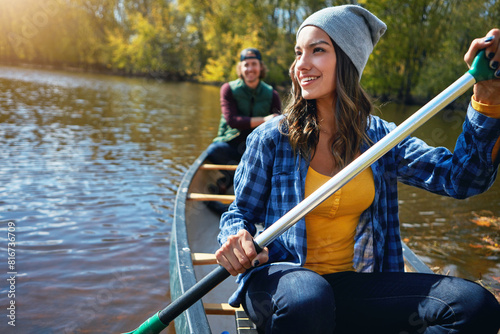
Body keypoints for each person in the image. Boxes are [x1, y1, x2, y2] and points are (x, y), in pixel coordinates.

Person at [215, 5, 500, 334]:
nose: (300, 65)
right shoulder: (271, 138)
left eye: (317, 51)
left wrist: (488, 94)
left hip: (351, 288)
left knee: (474, 305)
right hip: (280, 284)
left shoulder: (382, 138)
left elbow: (464, 178)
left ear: (348, 61)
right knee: (309, 297)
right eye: (298, 53)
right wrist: (237, 238)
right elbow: (238, 213)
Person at [205, 48, 281, 195]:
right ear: (241, 68)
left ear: (260, 67)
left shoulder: (272, 94)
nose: (250, 69)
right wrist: (265, 120)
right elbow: (233, 121)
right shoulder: (228, 89)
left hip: (257, 148)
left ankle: (241, 180)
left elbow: (277, 128)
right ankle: (233, 177)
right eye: (246, 65)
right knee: (214, 151)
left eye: (254, 64)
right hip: (231, 145)